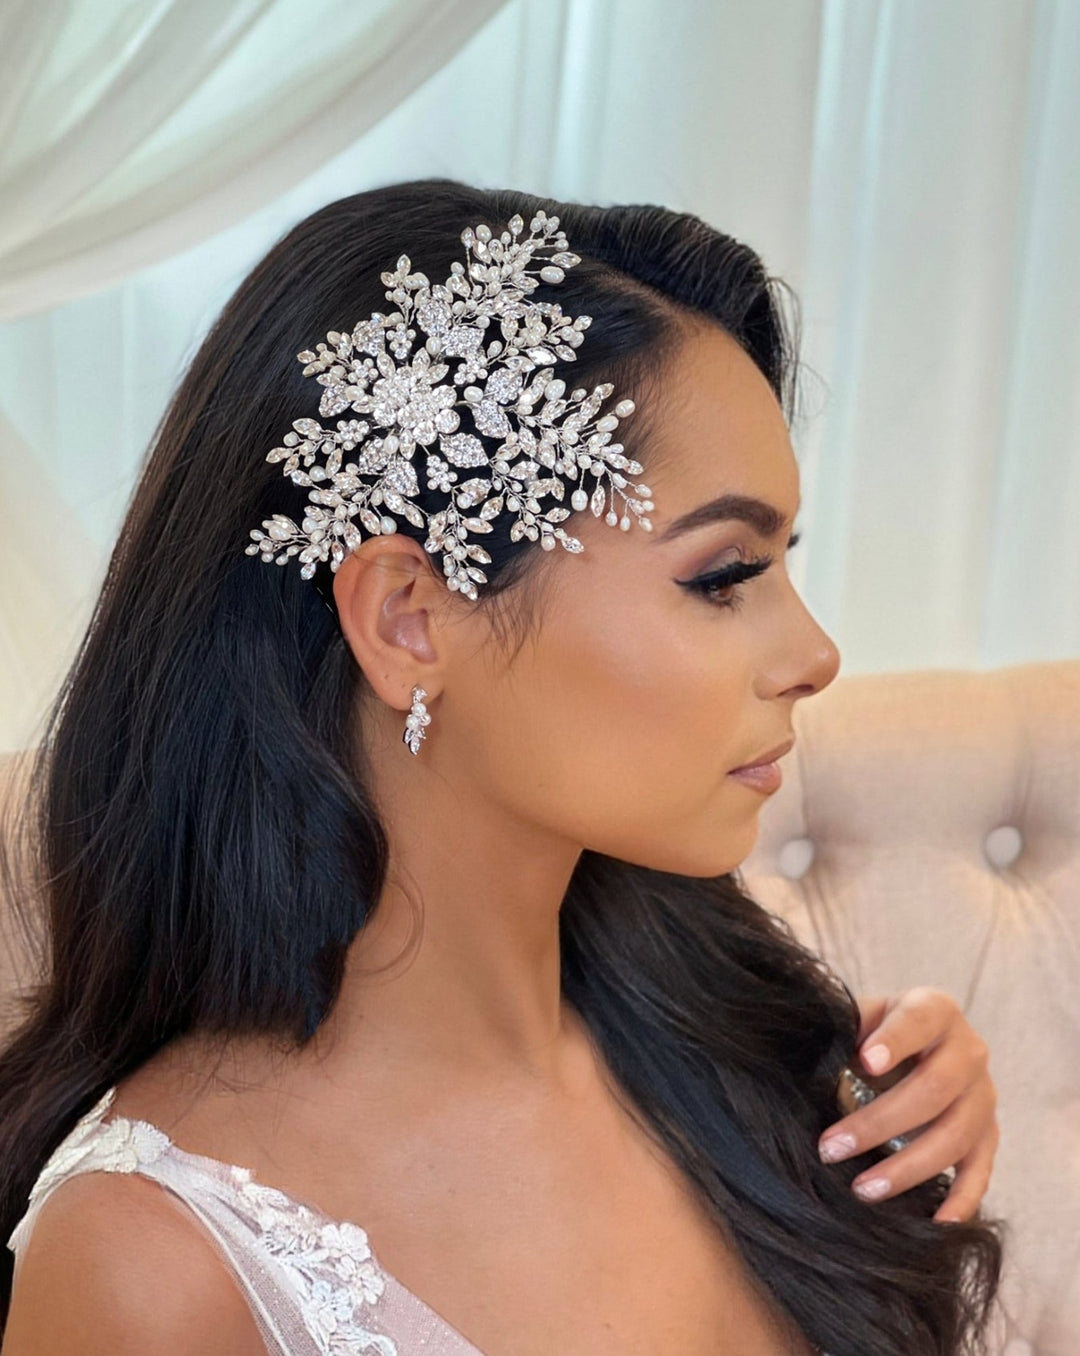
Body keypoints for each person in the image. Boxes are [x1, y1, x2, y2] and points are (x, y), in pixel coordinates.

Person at [0, 181, 1001, 1355]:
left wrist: (901, 1137)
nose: (816, 654)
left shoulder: (741, 1047)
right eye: (724, 574)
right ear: (411, 619)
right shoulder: (154, 1267)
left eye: (783, 565)